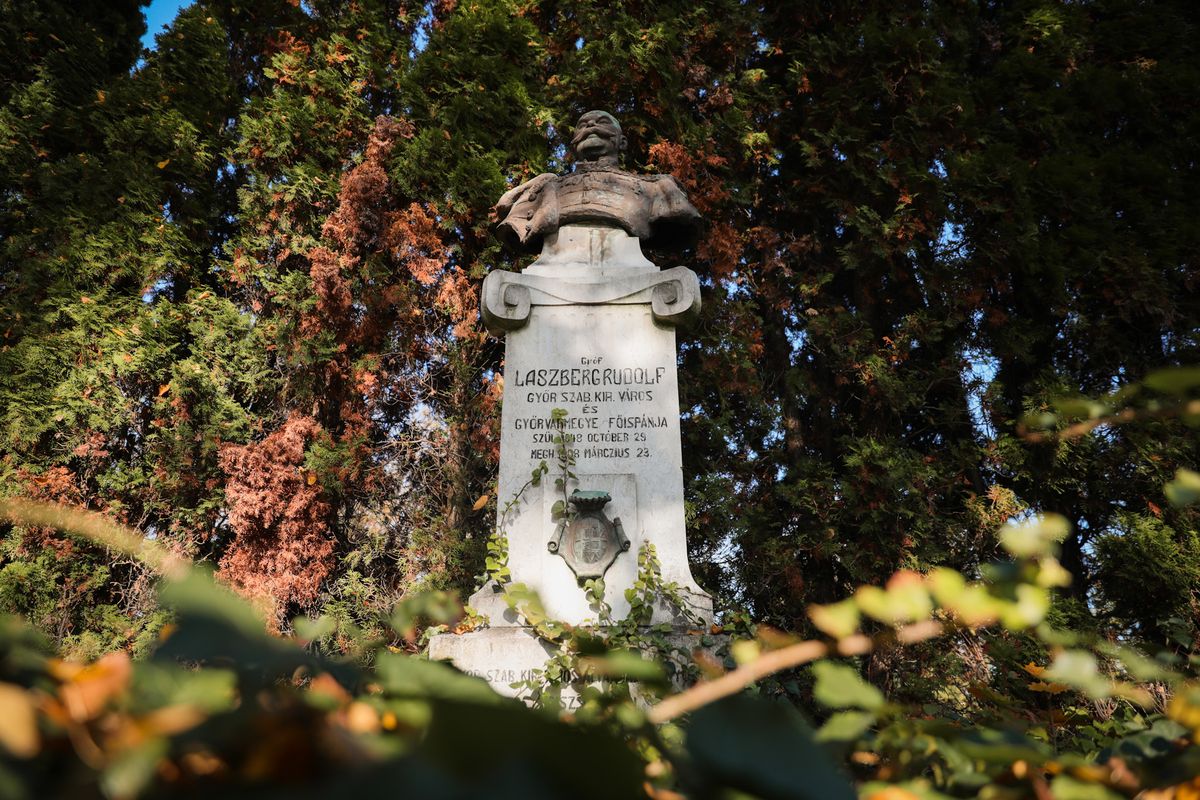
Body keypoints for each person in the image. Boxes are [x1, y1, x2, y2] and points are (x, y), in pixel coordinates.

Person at [494, 111, 701, 255]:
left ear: (622, 142)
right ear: (574, 144)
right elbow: (505, 206)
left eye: (602, 122)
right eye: (582, 126)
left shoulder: (657, 187)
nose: (591, 126)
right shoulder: (547, 187)